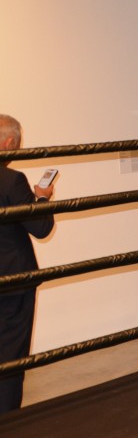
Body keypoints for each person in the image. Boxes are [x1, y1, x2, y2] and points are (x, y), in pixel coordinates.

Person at [0, 115, 55, 414]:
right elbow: (41, 227)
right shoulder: (12, 180)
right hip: (14, 280)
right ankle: (9, 424)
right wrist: (43, 199)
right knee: (11, 356)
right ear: (9, 143)